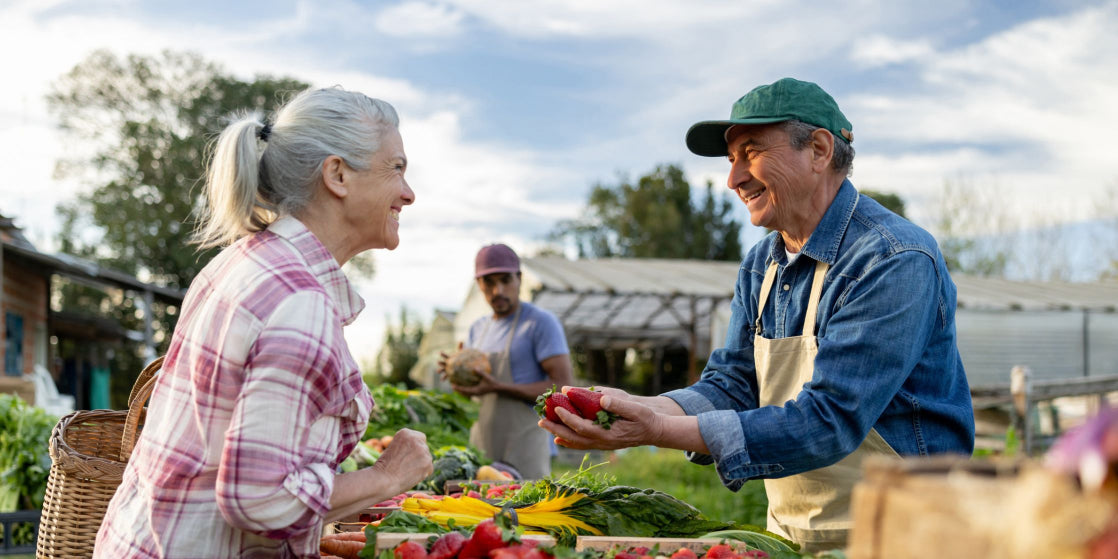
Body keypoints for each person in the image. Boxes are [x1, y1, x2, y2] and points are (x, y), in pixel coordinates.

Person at [539, 77, 975, 552]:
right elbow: (732, 384)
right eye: (731, 161)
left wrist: (657, 429)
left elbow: (831, 419)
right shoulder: (762, 263)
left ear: (819, 150)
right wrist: (641, 408)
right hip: (794, 533)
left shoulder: (892, 258)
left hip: (908, 535)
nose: (733, 180)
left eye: (750, 152)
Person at [94, 87, 433, 558]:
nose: (408, 193)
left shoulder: (241, 263)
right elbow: (260, 499)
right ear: (337, 175)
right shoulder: (300, 301)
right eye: (396, 168)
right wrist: (387, 476)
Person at [440, 244, 573, 479]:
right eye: (488, 282)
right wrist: (456, 375)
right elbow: (474, 394)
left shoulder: (540, 323)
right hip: (484, 443)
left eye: (505, 280)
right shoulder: (478, 329)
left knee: (525, 512)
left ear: (519, 279)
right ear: (478, 284)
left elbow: (562, 387)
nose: (497, 290)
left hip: (526, 444)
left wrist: (498, 387)